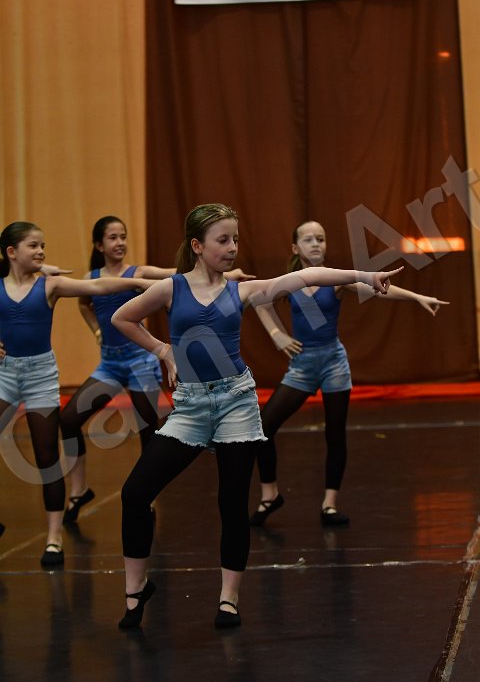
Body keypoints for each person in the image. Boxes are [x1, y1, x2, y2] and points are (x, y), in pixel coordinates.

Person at [110, 203, 402, 630]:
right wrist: (162, 350)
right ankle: (136, 590)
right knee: (135, 494)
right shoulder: (171, 288)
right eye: (222, 240)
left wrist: (363, 276)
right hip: (191, 406)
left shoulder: (241, 291)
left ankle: (228, 599)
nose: (232, 248)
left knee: (231, 503)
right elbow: (122, 317)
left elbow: (308, 277)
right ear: (197, 245)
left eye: (235, 239)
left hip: (236, 404)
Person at [250, 220, 448, 528]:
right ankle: (270, 495)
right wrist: (277, 334)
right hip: (301, 367)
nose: (316, 244)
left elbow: (378, 288)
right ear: (295, 248)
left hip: (334, 364)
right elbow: (258, 300)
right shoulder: (289, 281)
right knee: (263, 428)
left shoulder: (335, 280)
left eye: (321, 238)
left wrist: (416, 297)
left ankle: (329, 504)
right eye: (308, 239)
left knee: (335, 433)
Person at [60, 215, 254, 524]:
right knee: (69, 419)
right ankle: (79, 488)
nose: (120, 242)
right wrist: (95, 328)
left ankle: (146, 494)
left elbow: (179, 274)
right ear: (99, 245)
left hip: (140, 361)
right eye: (112, 237)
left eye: (123, 236)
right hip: (109, 363)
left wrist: (229, 275)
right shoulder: (92, 277)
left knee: (148, 428)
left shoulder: (140, 272)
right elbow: (84, 302)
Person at [0, 221, 153, 566]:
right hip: (5, 374)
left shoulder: (50, 285)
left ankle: (54, 538)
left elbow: (96, 286)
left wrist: (140, 283)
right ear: (11, 252)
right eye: (33, 246)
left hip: (40, 377)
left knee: (46, 457)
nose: (41, 251)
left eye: (43, 246)